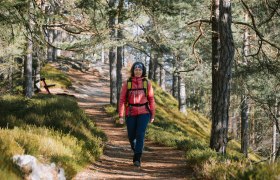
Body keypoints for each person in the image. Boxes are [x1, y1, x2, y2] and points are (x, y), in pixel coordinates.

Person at [119, 61, 155, 167]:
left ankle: (137, 158)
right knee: (131, 137)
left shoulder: (146, 83)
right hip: (131, 112)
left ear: (143, 71)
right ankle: (137, 150)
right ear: (133, 71)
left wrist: (152, 114)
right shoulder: (128, 83)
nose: (138, 71)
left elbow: (151, 99)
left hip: (144, 112)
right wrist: (121, 115)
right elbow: (121, 99)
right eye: (136, 70)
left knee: (140, 134)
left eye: (140, 70)